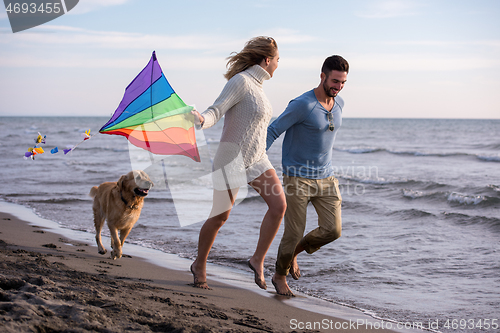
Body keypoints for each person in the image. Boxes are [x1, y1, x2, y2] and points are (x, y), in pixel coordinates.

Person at [190, 36, 286, 290]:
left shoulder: (260, 88)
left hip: (257, 158)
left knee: (279, 206)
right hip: (230, 160)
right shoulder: (241, 82)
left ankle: (257, 259)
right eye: (277, 60)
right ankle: (199, 264)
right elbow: (216, 110)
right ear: (267, 60)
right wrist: (201, 119)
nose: (278, 64)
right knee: (220, 217)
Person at [266, 55, 349, 296]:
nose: (338, 86)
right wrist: (256, 161)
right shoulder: (302, 104)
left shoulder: (339, 102)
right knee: (293, 231)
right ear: (322, 76)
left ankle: (293, 254)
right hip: (297, 178)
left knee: (333, 230)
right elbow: (274, 130)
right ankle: (279, 275)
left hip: (327, 177)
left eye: (343, 82)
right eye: (335, 81)